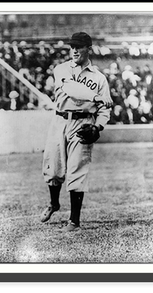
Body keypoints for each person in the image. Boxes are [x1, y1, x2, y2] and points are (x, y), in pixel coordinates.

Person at [40, 32, 113, 231]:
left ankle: (74, 221)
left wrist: (98, 126)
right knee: (54, 169)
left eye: (78, 46)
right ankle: (54, 203)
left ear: (88, 49)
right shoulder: (62, 69)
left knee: (77, 170)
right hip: (60, 120)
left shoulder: (99, 78)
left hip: (83, 123)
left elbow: (105, 109)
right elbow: (70, 88)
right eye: (71, 46)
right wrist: (96, 97)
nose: (73, 50)